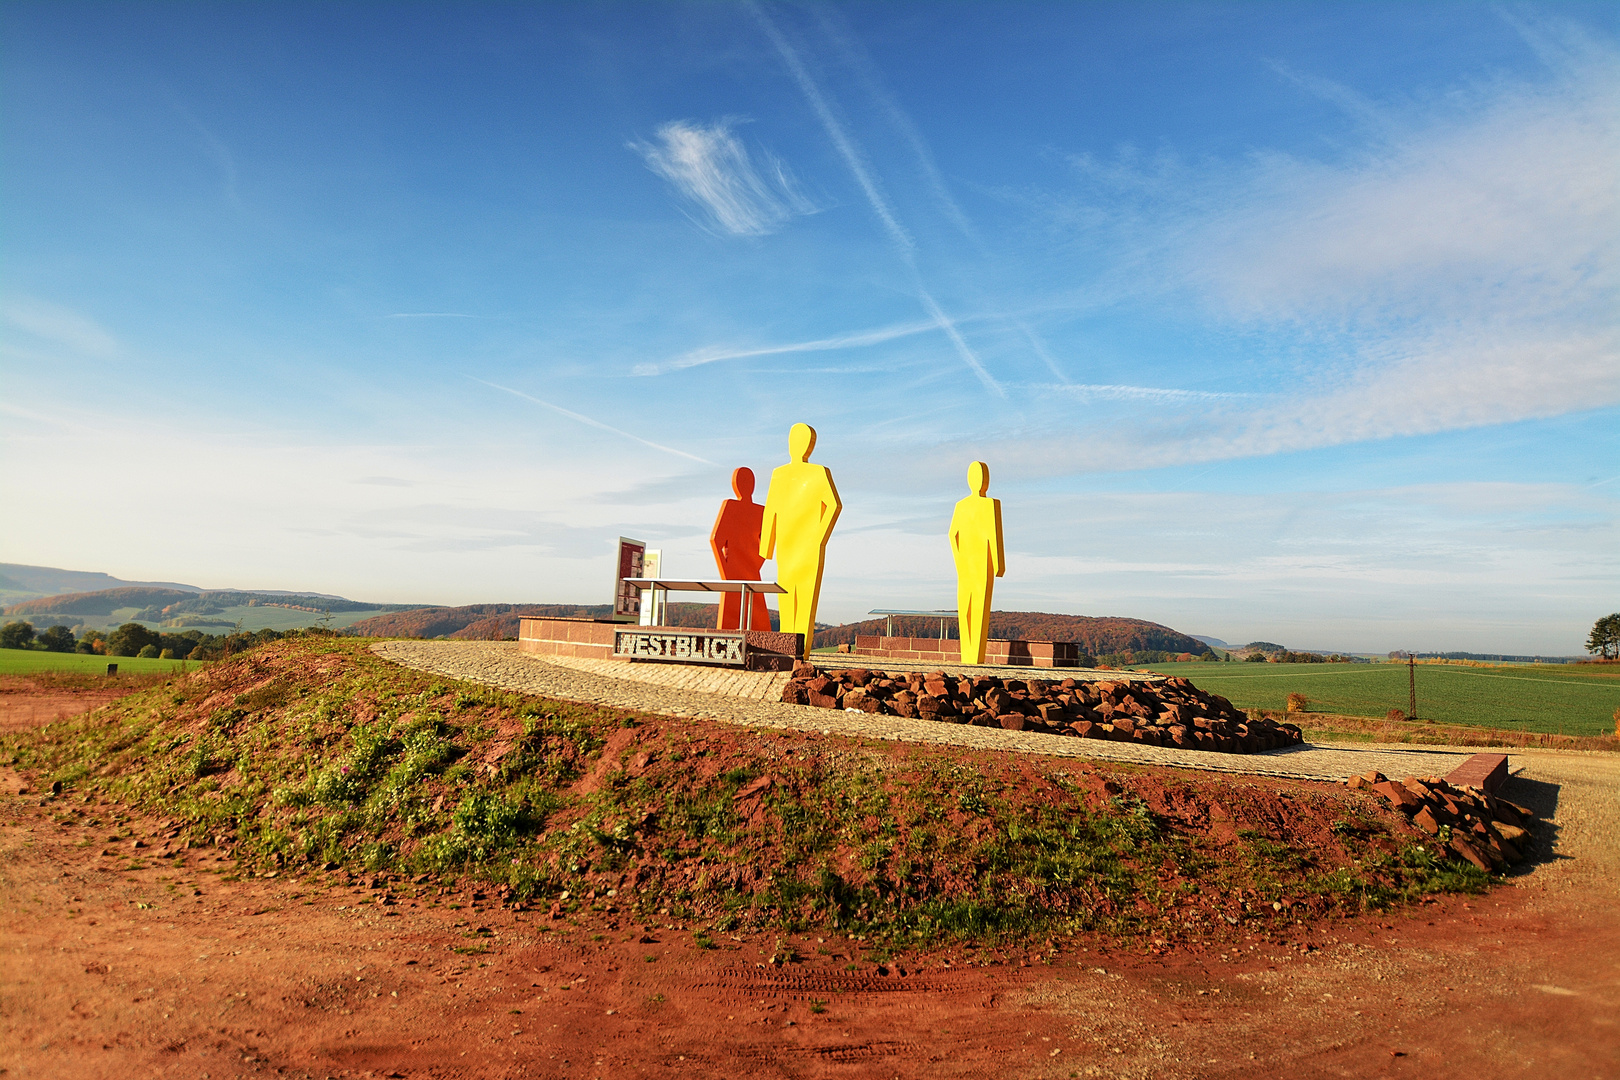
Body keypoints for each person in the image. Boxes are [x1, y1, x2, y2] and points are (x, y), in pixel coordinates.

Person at [759, 423, 841, 656]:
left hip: (808, 545)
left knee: (804, 597)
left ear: (809, 446)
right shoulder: (779, 473)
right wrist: (766, 546)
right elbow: (771, 509)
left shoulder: (818, 472)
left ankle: (800, 651)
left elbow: (834, 506)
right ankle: (786, 648)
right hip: (788, 544)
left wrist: (819, 537)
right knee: (785, 595)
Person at [949, 460, 1005, 665]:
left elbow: (952, 535)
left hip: (970, 564)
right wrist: (998, 564)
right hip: (977, 564)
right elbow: (992, 536)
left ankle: (972, 656)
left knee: (970, 608)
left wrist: (959, 559)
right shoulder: (984, 505)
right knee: (972, 608)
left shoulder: (964, 506)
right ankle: (971, 656)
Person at [709, 466, 771, 630]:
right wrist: (756, 563)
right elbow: (767, 544)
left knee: (742, 611)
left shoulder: (733, 507)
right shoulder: (760, 511)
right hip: (749, 570)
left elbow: (716, 540)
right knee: (750, 610)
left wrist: (726, 569)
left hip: (738, 570)